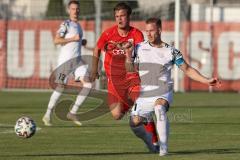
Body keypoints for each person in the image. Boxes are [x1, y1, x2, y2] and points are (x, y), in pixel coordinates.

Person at [125, 17, 221, 156]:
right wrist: (128, 55)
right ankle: (149, 143)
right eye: (147, 31)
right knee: (134, 124)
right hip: (145, 94)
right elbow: (129, 69)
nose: (149, 34)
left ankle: (164, 149)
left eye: (152, 31)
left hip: (163, 90)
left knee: (159, 108)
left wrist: (206, 80)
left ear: (159, 30)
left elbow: (187, 69)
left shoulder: (171, 51)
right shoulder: (139, 48)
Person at [90, 2, 159, 152]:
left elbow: (144, 54)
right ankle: (134, 111)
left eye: (122, 16)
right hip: (114, 82)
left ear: (129, 17)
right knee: (116, 115)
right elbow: (96, 49)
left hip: (132, 78)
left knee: (142, 111)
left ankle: (155, 141)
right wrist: (94, 68)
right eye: (117, 16)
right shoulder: (108, 34)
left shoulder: (136, 34)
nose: (119, 19)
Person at [42, 0, 92, 126]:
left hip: (78, 62)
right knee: (60, 87)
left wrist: (81, 42)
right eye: (73, 9)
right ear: (69, 10)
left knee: (88, 85)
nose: (76, 11)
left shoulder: (79, 26)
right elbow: (56, 40)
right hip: (66, 61)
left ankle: (73, 112)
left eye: (77, 9)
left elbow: (75, 42)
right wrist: (73, 39)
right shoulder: (66, 24)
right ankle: (47, 115)